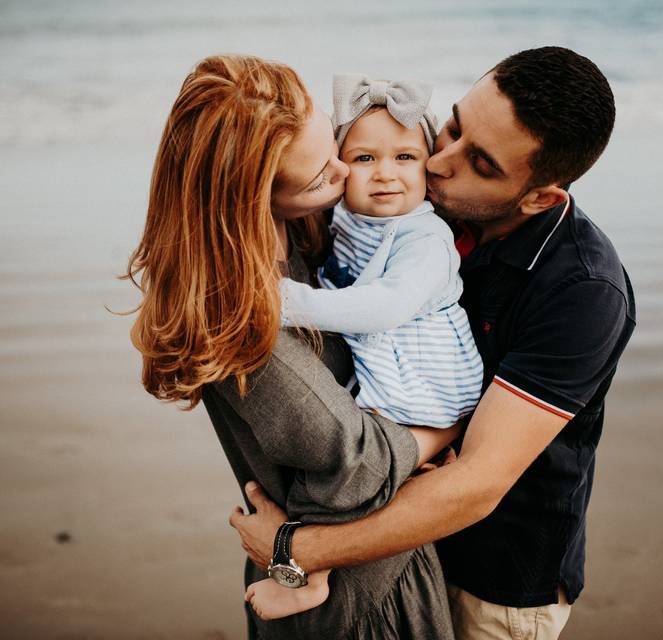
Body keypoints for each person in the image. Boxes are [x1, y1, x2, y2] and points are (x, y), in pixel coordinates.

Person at [231, 46, 637, 640]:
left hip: (493, 581)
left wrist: (299, 549)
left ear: (539, 197)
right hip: (395, 541)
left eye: (481, 162)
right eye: (452, 126)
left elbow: (476, 485)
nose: (439, 162)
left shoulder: (583, 291)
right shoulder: (422, 205)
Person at [126, 54, 457, 639]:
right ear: (252, 200)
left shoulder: (304, 235)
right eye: (319, 176)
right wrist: (446, 431)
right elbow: (357, 464)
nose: (345, 171)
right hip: (358, 603)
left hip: (352, 555)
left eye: (332, 144)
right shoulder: (250, 327)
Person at [246, 74, 483, 619]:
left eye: (405, 157)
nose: (385, 174)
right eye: (364, 157)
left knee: (347, 467)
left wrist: (283, 300)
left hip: (427, 381)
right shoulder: (348, 218)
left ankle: (310, 573)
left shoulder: (426, 240)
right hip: (385, 368)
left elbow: (383, 308)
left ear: (430, 164)